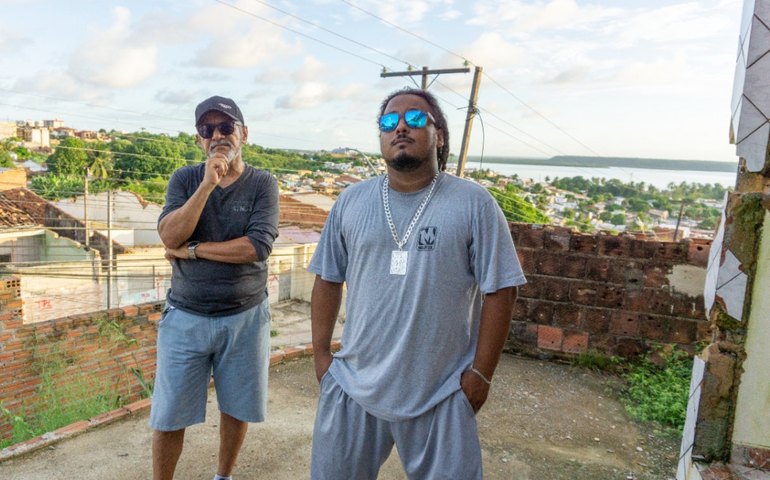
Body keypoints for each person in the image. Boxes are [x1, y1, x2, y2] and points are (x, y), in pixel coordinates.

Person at [308, 87, 527, 479]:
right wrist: (322, 357)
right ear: (381, 136)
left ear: (438, 134)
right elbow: (326, 279)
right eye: (390, 121)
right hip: (354, 385)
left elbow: (502, 290)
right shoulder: (351, 201)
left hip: (440, 390)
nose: (401, 128)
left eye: (415, 119)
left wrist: (480, 375)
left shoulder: (473, 203)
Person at [151, 95, 279, 480]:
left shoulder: (263, 184)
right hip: (185, 317)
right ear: (198, 140)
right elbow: (168, 234)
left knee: (236, 408)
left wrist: (191, 251)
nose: (218, 136)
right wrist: (207, 185)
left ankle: (222, 476)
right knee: (169, 414)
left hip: (245, 317)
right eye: (208, 130)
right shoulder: (185, 179)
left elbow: (256, 247)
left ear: (244, 133)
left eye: (226, 127)